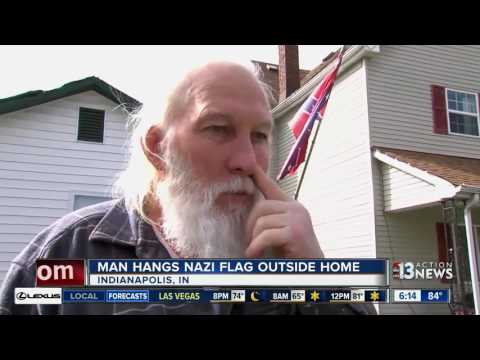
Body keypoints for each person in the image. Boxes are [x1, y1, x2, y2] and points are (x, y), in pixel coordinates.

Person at [0, 61, 376, 315]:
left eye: (260, 135)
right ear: (157, 147)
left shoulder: (289, 260)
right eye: (217, 128)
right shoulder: (66, 253)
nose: (247, 160)